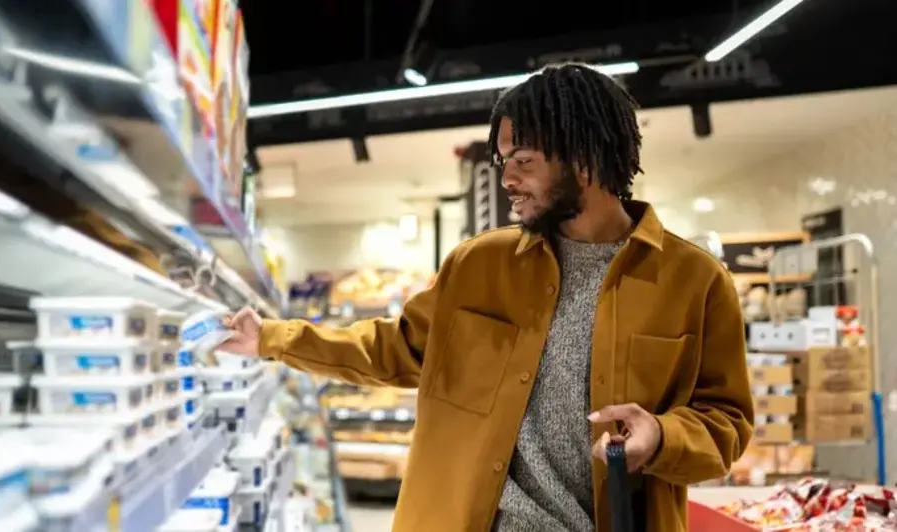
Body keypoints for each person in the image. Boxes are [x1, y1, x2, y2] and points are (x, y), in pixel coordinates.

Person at [222, 63, 754, 532]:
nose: (508, 179)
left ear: (585, 158)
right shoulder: (477, 265)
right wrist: (271, 338)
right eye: (503, 163)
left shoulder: (695, 281)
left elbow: (726, 423)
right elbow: (393, 348)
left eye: (523, 160)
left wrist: (661, 435)